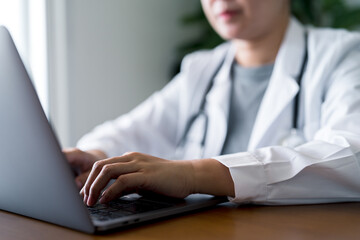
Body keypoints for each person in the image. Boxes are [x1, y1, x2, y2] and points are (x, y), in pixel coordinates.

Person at [64, 0, 360, 207]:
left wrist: (193, 174)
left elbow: (352, 153)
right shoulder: (202, 69)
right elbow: (130, 132)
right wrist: (96, 157)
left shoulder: (342, 54)